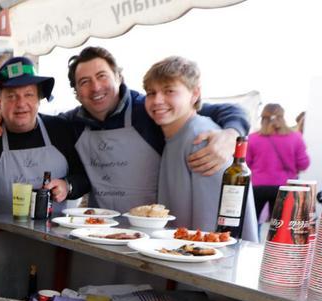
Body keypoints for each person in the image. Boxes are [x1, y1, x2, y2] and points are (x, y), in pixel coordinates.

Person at [61, 46, 250, 213]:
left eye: (102, 76)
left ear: (119, 77)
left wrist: (232, 133)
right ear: (76, 92)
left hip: (151, 233)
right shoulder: (72, 122)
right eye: (84, 82)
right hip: (99, 229)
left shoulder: (149, 109)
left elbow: (227, 110)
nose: (95, 87)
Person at [144, 56, 258, 241]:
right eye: (151, 93)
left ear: (195, 94)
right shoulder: (177, 135)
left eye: (169, 91)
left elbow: (211, 229)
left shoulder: (203, 139)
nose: (157, 100)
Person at [0, 56, 89, 215]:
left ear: (39, 98)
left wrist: (68, 186)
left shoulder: (61, 129)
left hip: (57, 237)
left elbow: (86, 176)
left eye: (29, 94)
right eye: (11, 96)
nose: (21, 103)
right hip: (4, 237)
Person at [247, 103, 311, 219]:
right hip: (285, 186)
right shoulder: (295, 138)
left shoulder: (253, 138)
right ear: (282, 117)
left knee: (252, 221)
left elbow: (246, 163)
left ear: (263, 118)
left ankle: (253, 238)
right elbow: (303, 164)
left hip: (258, 186)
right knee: (280, 225)